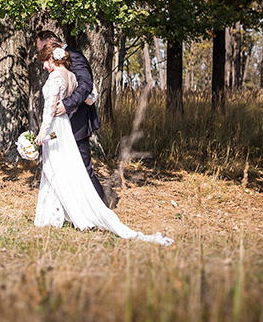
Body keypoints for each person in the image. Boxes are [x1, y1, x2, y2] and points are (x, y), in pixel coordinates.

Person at [33, 42, 173, 245]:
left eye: (45, 62)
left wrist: (41, 133)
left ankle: (60, 214)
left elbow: (49, 110)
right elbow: (90, 96)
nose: (44, 66)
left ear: (52, 59)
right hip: (64, 127)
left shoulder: (55, 77)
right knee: (67, 169)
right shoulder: (71, 76)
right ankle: (60, 212)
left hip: (55, 126)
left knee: (55, 168)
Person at [35, 30, 106, 203]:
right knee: (69, 166)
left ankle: (101, 206)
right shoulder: (58, 65)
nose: (43, 53)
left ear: (52, 41)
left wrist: (66, 105)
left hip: (78, 119)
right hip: (63, 124)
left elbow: (85, 86)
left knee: (83, 167)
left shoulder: (75, 56)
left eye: (43, 48)